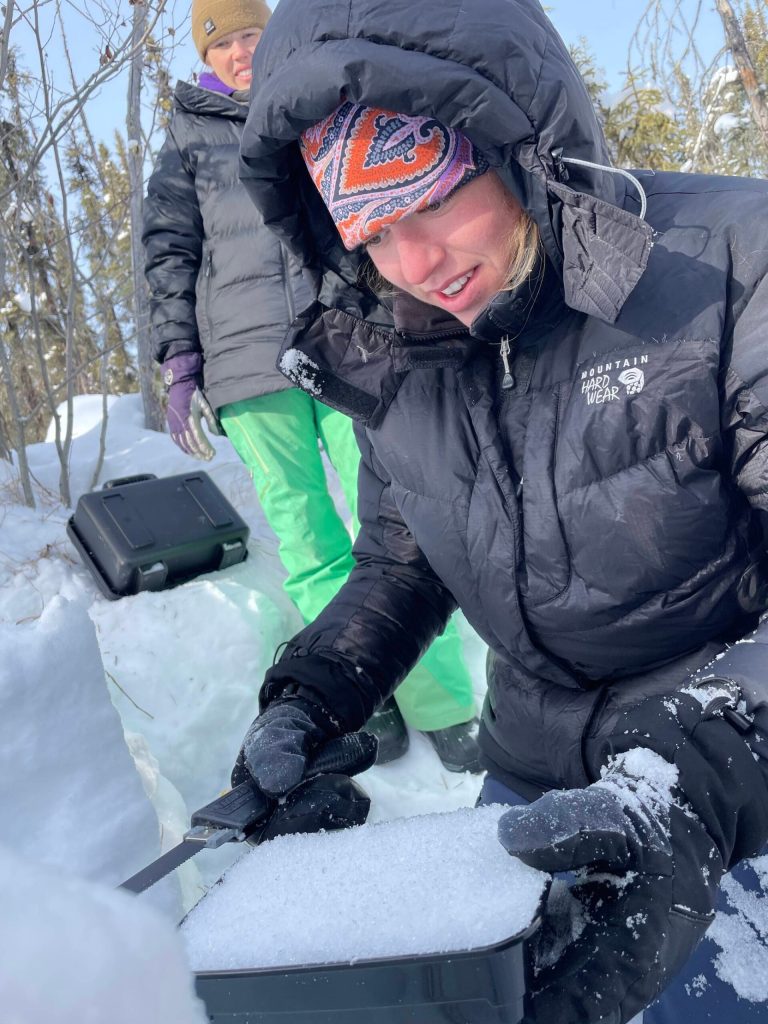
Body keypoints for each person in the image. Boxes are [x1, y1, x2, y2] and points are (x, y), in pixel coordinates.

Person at [227, 0, 768, 1020]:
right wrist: (315, 694)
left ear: (519, 147)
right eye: (374, 233)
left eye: (430, 200)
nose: (417, 265)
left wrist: (701, 773)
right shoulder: (402, 339)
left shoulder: (733, 266)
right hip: (534, 777)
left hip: (736, 780)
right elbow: (402, 557)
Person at [141, 0, 481, 773]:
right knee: (306, 535)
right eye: (219, 43)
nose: (236, 54)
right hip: (241, 361)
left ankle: (445, 700)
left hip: (344, 339)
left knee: (396, 521)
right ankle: (365, 690)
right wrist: (178, 360)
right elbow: (168, 253)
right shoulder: (186, 139)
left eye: (248, 35)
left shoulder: (313, 100)